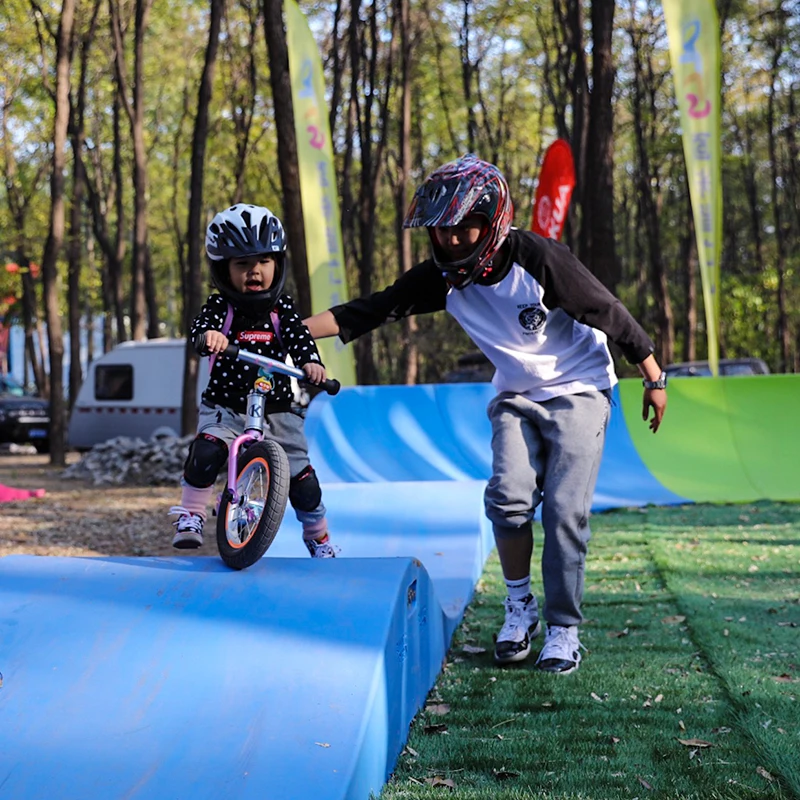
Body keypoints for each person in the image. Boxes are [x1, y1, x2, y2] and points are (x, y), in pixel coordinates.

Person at [303, 154, 667, 672]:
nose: (450, 241)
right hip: (516, 396)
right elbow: (370, 309)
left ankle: (564, 630)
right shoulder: (442, 277)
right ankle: (520, 608)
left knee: (563, 511)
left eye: (462, 229)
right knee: (508, 501)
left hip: (580, 389)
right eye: (440, 231)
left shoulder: (539, 257)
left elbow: (606, 311)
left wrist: (654, 377)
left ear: (491, 221)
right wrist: (285, 328)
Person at [170, 203, 338, 558]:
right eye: (242, 264)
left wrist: (311, 364)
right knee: (206, 451)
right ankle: (191, 514)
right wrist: (209, 337)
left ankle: (318, 536)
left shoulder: (283, 310)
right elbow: (200, 331)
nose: (254, 271)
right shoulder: (221, 308)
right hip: (226, 405)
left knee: (302, 479)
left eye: (262, 261)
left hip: (277, 408)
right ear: (223, 270)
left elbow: (300, 338)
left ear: (277, 264)